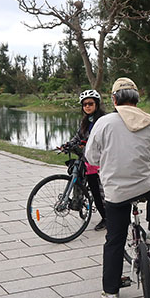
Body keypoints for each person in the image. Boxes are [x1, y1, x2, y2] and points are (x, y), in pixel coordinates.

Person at [85, 77, 150, 298]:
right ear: (137, 99)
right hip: (144, 185)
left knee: (114, 240)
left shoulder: (103, 123)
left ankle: (111, 292)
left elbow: (91, 156)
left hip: (116, 193)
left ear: (114, 99)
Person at [59, 89, 107, 231]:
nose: (87, 106)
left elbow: (106, 140)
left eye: (90, 103)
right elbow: (78, 137)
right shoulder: (85, 122)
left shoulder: (103, 121)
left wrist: (90, 144)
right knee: (92, 188)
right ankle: (101, 215)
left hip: (102, 162)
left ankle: (110, 218)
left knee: (102, 192)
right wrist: (67, 145)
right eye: (85, 104)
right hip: (89, 162)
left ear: (96, 104)